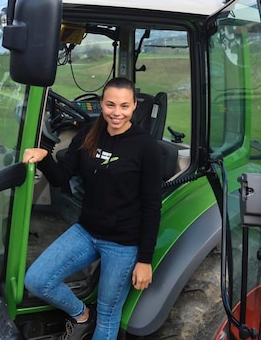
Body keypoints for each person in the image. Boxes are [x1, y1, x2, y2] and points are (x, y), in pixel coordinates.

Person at [23, 77, 163, 340]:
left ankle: (96, 323)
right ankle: (81, 316)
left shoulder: (146, 147)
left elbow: (152, 206)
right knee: (37, 280)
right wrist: (44, 158)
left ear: (134, 107)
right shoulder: (89, 132)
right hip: (86, 231)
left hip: (123, 244)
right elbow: (62, 177)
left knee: (109, 313)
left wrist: (144, 260)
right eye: (110, 105)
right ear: (101, 104)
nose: (116, 112)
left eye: (124, 106)